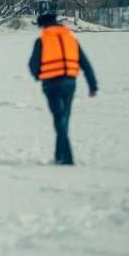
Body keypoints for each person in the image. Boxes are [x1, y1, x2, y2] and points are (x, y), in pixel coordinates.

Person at [29, 12, 99, 165]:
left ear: (43, 25)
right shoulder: (71, 39)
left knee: (59, 119)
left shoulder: (42, 40)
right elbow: (85, 63)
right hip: (70, 82)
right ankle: (59, 155)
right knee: (64, 118)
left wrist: (38, 75)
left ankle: (67, 157)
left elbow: (33, 64)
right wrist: (92, 85)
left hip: (51, 84)